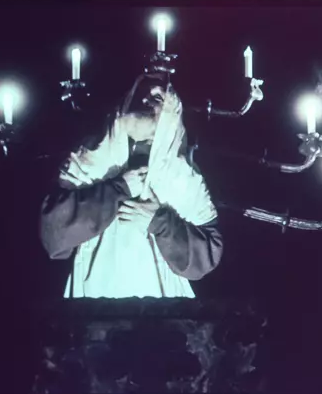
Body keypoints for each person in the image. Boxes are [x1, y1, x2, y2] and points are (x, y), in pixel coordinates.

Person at [40, 84, 223, 298]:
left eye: (157, 101)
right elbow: (55, 236)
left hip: (161, 307)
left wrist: (159, 221)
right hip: (95, 299)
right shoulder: (89, 162)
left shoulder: (181, 176)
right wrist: (118, 189)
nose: (147, 104)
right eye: (143, 99)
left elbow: (205, 257)